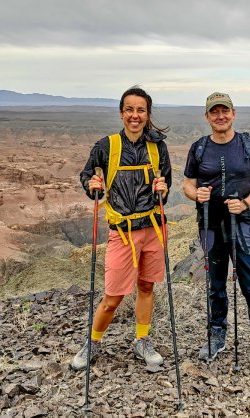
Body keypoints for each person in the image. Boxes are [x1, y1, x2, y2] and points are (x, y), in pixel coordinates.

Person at [182, 92, 250, 363]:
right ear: (207, 117)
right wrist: (196, 195)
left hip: (242, 222)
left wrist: (244, 204)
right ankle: (217, 334)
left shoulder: (248, 144)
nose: (220, 116)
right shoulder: (199, 147)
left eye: (225, 111)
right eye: (214, 112)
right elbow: (187, 184)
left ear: (234, 113)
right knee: (215, 283)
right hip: (210, 223)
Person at [71, 86, 172, 370]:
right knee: (113, 295)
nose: (135, 115)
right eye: (129, 109)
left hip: (153, 227)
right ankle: (93, 342)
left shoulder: (157, 147)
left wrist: (162, 190)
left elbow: (165, 187)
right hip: (122, 232)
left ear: (147, 114)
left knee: (146, 286)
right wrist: (91, 186)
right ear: (121, 113)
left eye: (140, 110)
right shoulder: (106, 146)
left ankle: (142, 339)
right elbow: (87, 174)